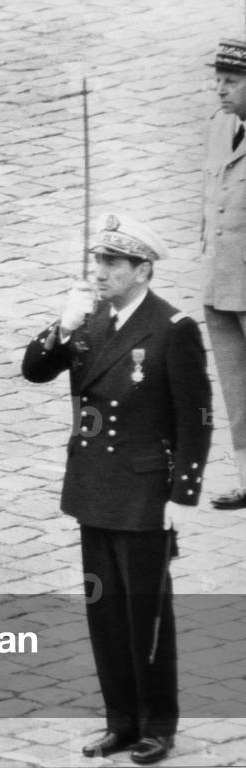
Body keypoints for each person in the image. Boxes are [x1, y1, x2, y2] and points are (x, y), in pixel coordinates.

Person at [22, 214, 212, 765]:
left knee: (146, 615)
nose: (99, 272)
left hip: (143, 492)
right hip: (93, 490)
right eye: (98, 261)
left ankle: (158, 725)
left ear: (142, 269)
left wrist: (183, 497)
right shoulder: (88, 318)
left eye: (112, 263)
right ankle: (120, 722)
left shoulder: (171, 328)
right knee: (104, 614)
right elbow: (34, 370)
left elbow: (195, 418)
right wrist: (62, 326)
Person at [203, 39, 246, 510]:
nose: (221, 89)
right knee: (237, 388)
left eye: (232, 82)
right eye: (218, 80)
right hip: (221, 279)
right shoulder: (219, 125)